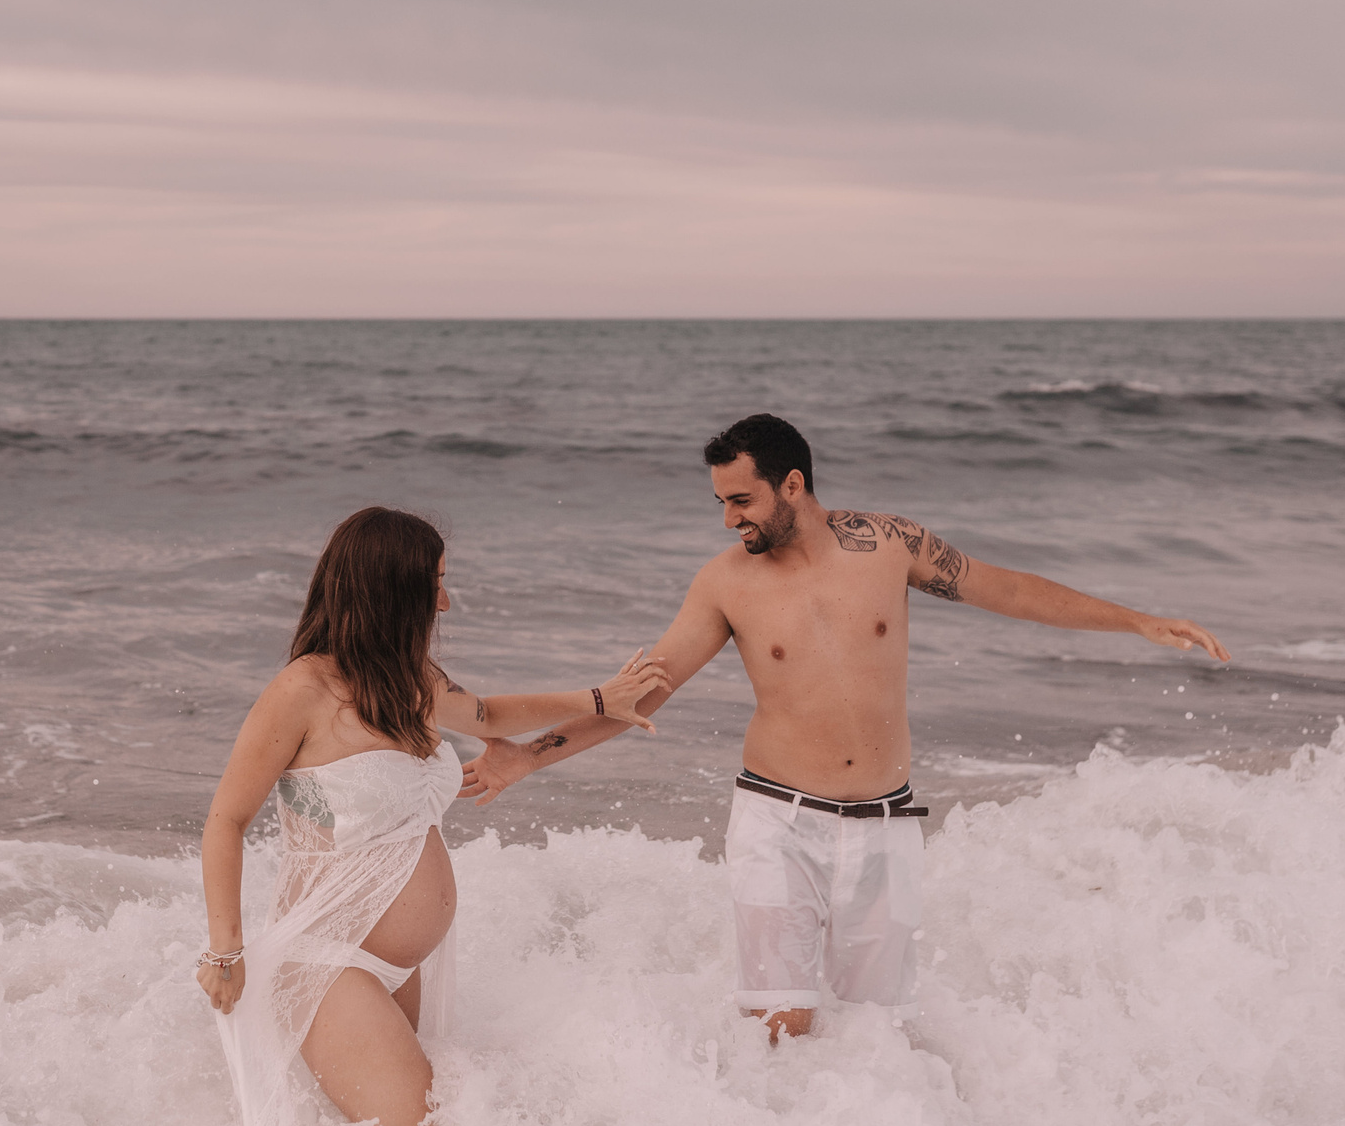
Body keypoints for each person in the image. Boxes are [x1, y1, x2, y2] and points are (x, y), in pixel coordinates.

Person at [458, 413, 1230, 1045]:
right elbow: (641, 696)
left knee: (874, 1038)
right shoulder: (725, 582)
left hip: (885, 824)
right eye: (721, 503)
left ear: (793, 484)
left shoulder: (889, 544)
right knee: (780, 1027)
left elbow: (1010, 589)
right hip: (777, 821)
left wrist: (1137, 621)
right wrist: (527, 756)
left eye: (742, 500)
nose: (731, 519)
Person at [196, 506, 669, 1126]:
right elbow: (226, 819)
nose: (446, 599)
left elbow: (493, 716)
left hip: (399, 968)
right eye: (435, 582)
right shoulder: (304, 689)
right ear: (391, 587)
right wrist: (224, 948)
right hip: (329, 962)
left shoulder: (411, 680)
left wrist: (604, 697)